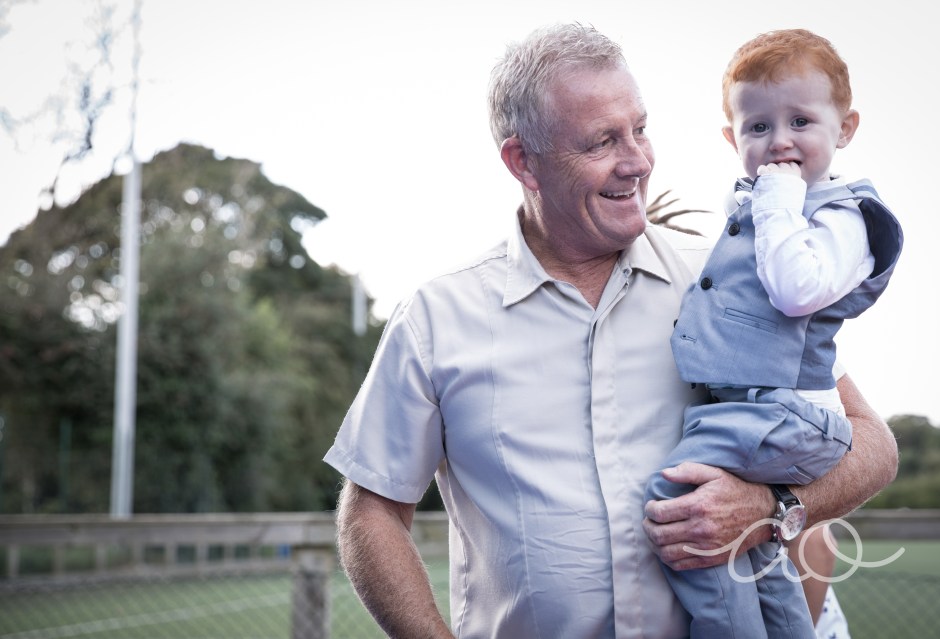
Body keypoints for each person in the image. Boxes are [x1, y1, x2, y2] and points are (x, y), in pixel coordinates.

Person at [323, 23, 899, 638]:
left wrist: (770, 507)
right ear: (523, 162)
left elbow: (872, 444)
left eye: (640, 129)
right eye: (602, 141)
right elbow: (372, 512)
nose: (638, 161)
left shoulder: (726, 277)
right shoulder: (437, 318)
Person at [645, 28, 903, 638]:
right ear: (732, 139)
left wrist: (778, 194)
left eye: (800, 121)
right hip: (763, 410)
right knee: (756, 551)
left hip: (787, 412)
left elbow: (794, 291)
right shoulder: (768, 216)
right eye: (758, 127)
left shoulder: (839, 216)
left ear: (846, 128)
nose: (780, 141)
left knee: (679, 500)